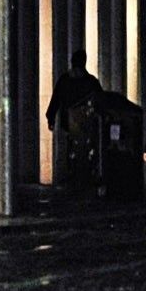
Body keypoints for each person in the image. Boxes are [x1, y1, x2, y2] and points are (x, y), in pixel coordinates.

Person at [45, 48, 104, 191]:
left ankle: (72, 176)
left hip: (69, 124)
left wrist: (51, 118)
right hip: (85, 125)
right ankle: (83, 177)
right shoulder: (90, 82)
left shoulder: (64, 80)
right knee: (86, 151)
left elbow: (55, 101)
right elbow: (101, 100)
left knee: (70, 151)